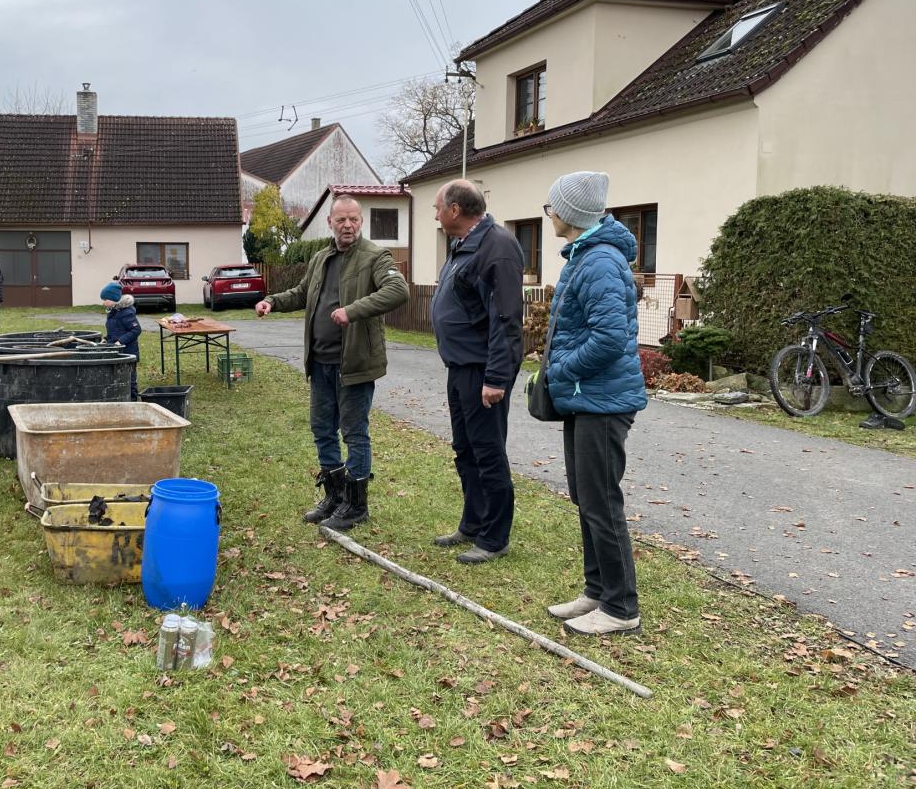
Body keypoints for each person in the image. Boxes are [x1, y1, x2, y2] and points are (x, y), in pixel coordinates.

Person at [255, 194, 409, 530]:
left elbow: (398, 290)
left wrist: (352, 311)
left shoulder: (375, 257)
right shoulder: (321, 257)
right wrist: (272, 301)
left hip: (354, 364)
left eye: (354, 219)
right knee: (323, 429)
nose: (348, 225)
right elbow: (301, 293)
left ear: (361, 221)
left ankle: (356, 504)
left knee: (354, 433)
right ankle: (335, 495)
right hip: (321, 363)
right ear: (330, 222)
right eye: (341, 220)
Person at [540, 171, 647, 635]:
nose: (549, 214)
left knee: (601, 501)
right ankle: (597, 590)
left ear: (570, 212)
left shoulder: (599, 261)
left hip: (603, 401)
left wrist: (560, 368)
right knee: (587, 497)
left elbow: (608, 338)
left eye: (552, 206)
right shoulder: (585, 255)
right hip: (587, 398)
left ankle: (621, 608)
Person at [429, 179, 525, 564]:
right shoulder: (463, 244)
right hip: (460, 366)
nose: (435, 214)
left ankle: (494, 538)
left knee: (487, 452)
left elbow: (506, 318)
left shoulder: (497, 247)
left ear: (455, 210)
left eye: (437, 207)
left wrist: (496, 378)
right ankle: (472, 523)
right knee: (465, 450)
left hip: (482, 369)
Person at [101, 280, 141, 400]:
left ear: (114, 299)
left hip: (128, 352)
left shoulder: (126, 313)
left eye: (105, 299)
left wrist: (121, 341)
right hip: (116, 351)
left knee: (129, 378)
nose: (103, 302)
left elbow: (136, 330)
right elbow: (114, 330)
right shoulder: (112, 312)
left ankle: (133, 400)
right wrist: (106, 339)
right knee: (117, 378)